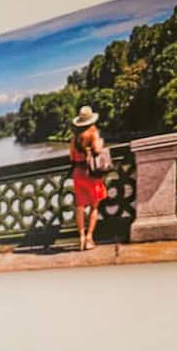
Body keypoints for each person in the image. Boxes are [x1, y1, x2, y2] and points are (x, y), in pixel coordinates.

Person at [69, 106, 107, 251]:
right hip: (91, 174)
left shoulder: (73, 139)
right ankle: (89, 238)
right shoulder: (93, 133)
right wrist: (101, 142)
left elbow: (71, 158)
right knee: (94, 207)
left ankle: (81, 236)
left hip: (78, 174)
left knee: (80, 206)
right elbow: (97, 150)